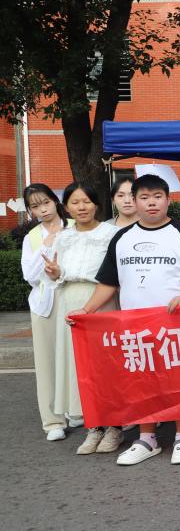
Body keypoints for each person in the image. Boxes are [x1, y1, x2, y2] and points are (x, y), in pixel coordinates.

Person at [69, 174, 180, 466]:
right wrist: (87, 310)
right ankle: (147, 439)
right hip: (134, 325)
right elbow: (109, 282)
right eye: (144, 198)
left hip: (174, 323)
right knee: (140, 382)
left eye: (158, 197)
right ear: (134, 202)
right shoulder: (122, 238)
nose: (151, 203)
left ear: (168, 200)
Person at [44, 183, 122, 454]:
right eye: (75, 202)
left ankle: (114, 427)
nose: (81, 207)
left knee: (106, 366)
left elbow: (116, 274)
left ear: (96, 204)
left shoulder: (111, 234)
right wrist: (55, 273)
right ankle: (93, 426)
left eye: (86, 201)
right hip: (69, 301)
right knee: (79, 367)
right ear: (66, 207)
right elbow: (55, 275)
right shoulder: (63, 237)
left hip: (102, 300)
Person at [21, 184, 71, 440]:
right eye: (35, 206)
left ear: (55, 201)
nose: (42, 210)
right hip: (44, 304)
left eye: (46, 203)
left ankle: (77, 411)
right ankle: (53, 422)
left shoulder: (74, 227)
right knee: (46, 363)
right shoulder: (32, 237)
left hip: (74, 299)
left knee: (76, 359)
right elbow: (30, 276)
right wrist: (46, 245)